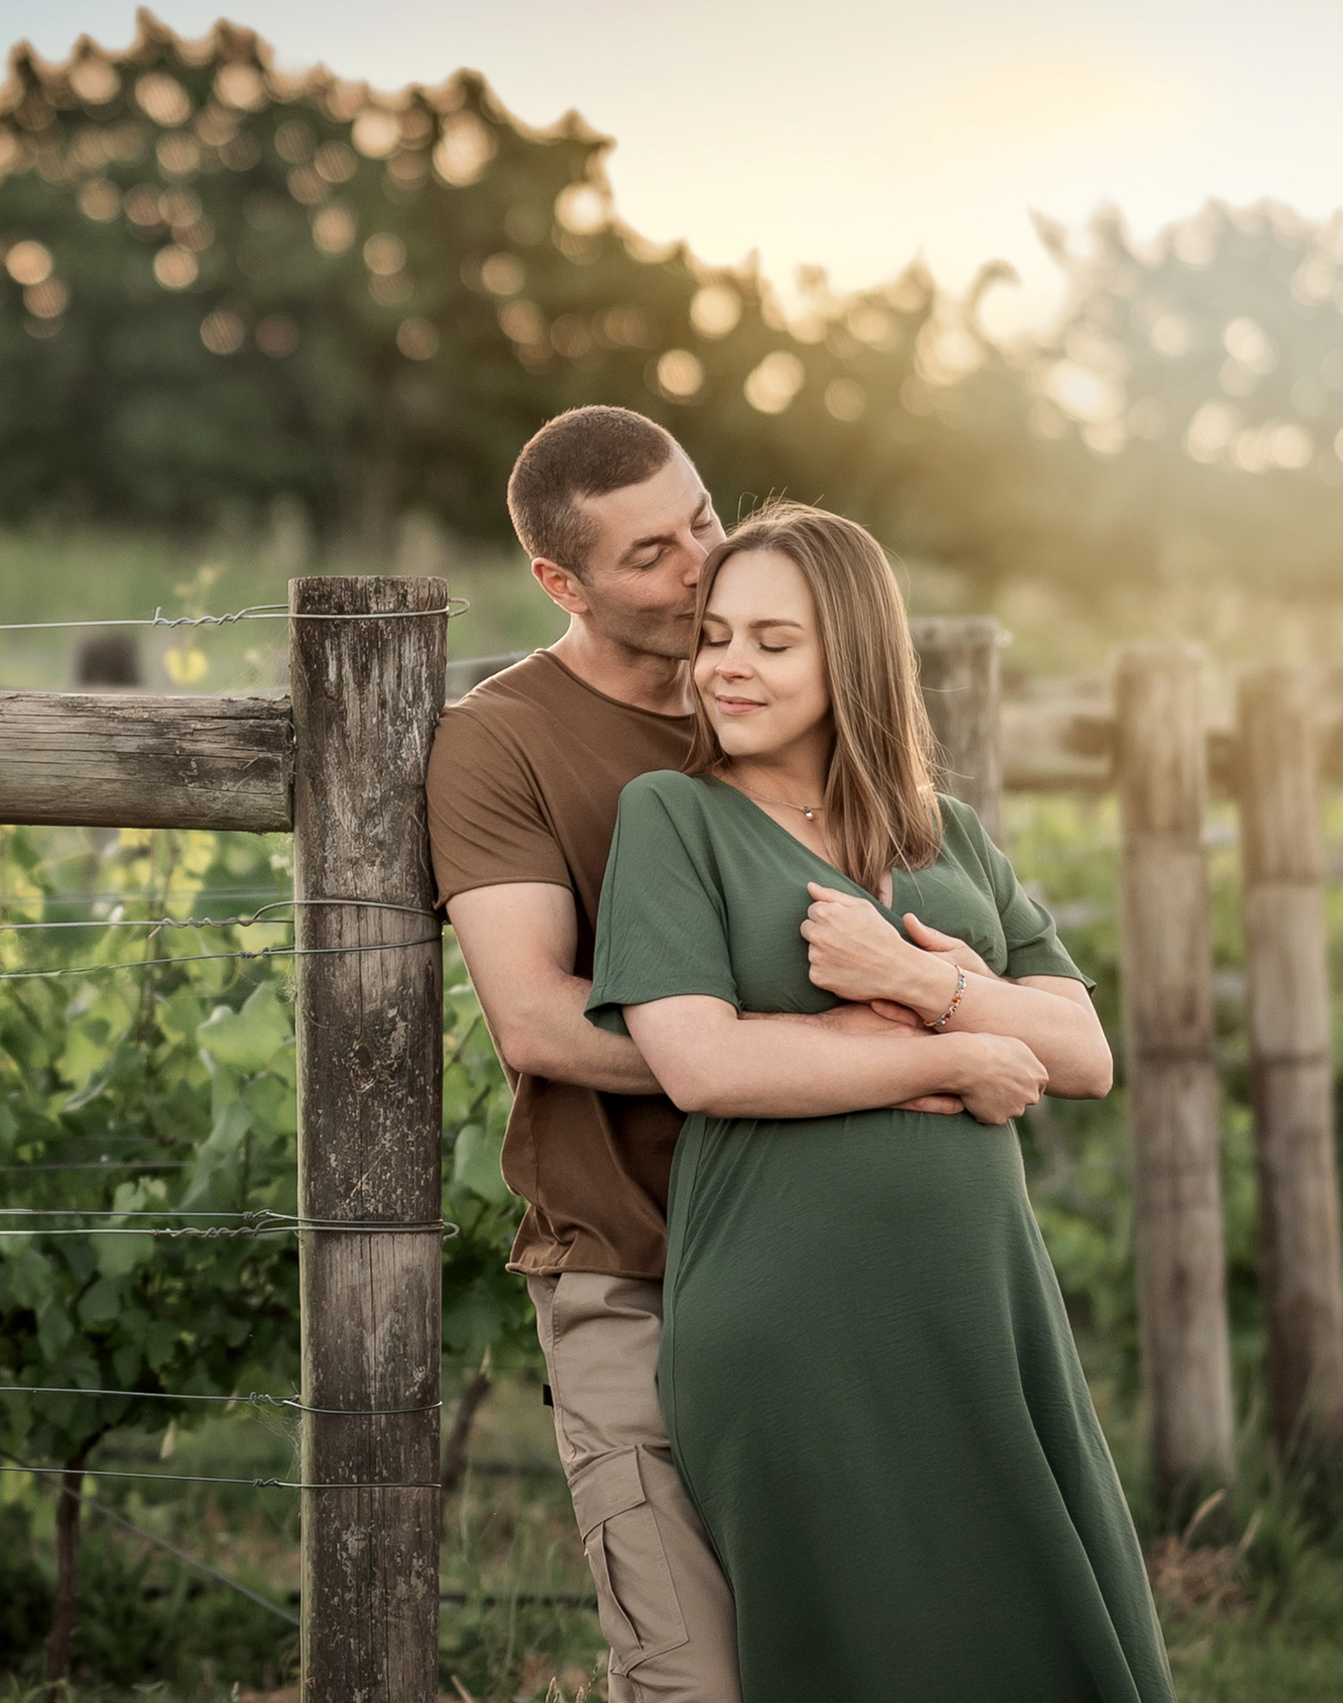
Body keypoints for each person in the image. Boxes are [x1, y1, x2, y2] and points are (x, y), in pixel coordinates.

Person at [586, 502, 1175, 1701]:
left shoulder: (943, 831)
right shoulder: (673, 816)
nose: (727, 666)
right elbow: (702, 1063)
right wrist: (949, 1053)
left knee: (1041, 1635)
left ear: (850, 654)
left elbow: (1083, 1047)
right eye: (714, 635)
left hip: (977, 1311)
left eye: (772, 640)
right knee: (863, 1648)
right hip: (789, 1314)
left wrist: (916, 981)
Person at [428, 407, 935, 1699]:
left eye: (705, 516)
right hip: (632, 1257)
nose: (706, 562)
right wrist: (793, 1045)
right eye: (653, 552)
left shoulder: (779, 693)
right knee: (685, 1671)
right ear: (561, 581)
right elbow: (536, 1018)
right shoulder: (504, 741)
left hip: (828, 1252)